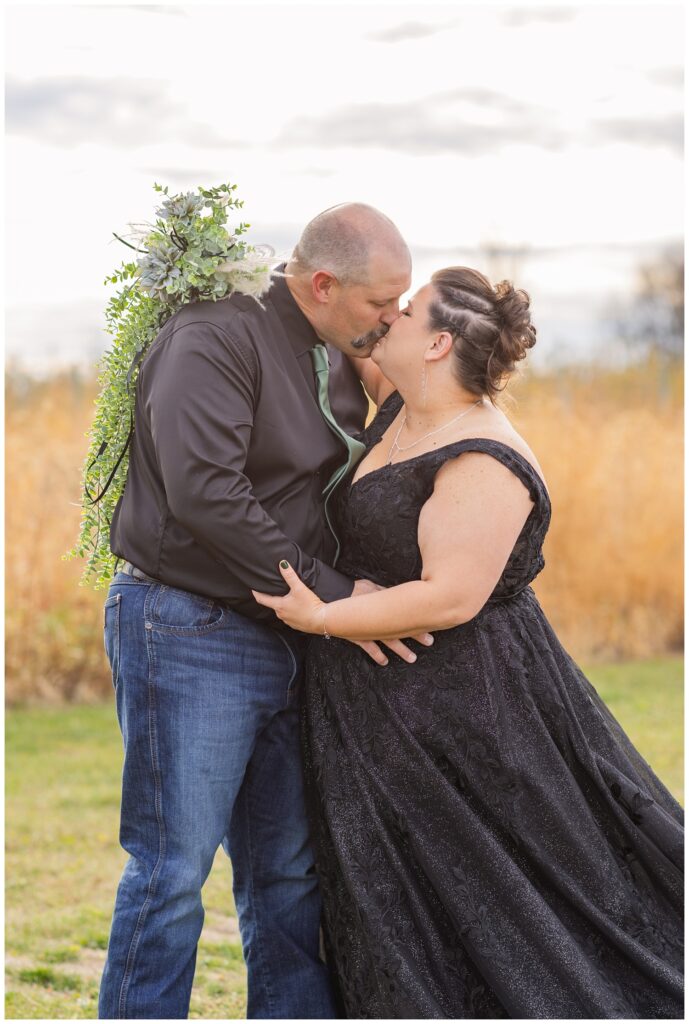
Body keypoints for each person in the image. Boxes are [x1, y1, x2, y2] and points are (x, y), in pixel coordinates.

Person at [253, 267, 685, 1019]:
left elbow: (451, 595)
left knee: (504, 896)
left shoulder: (480, 451)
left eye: (407, 310)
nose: (388, 317)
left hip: (472, 714)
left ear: (439, 342)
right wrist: (263, 270)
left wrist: (319, 617)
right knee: (396, 896)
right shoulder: (403, 407)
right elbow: (336, 308)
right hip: (378, 714)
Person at [98, 203, 431, 1019]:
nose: (391, 319)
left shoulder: (335, 357)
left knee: (287, 874)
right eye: (379, 305)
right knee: (173, 873)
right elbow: (206, 492)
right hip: (188, 627)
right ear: (322, 283)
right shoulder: (212, 335)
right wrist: (336, 591)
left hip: (293, 639)